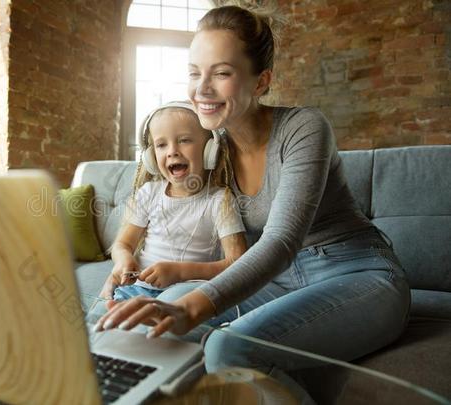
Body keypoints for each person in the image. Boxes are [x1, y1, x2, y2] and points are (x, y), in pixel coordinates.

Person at [94, 3, 410, 400]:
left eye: (221, 73)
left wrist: (193, 309)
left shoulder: (304, 128)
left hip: (356, 272)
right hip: (280, 281)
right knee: (163, 307)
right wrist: (125, 264)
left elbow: (280, 243)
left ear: (260, 82)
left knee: (229, 346)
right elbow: (176, 210)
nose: (201, 89)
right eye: (195, 72)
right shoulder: (213, 150)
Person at [98, 101, 247, 307]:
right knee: (101, 322)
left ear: (209, 150)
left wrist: (179, 272)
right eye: (161, 145)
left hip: (188, 292)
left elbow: (237, 263)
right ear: (151, 157)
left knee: (157, 318)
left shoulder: (220, 200)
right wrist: (124, 260)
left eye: (184, 140)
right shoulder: (149, 193)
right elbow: (123, 244)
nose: (172, 151)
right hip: (136, 288)